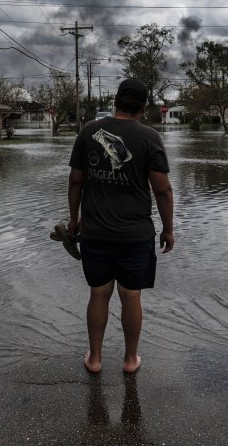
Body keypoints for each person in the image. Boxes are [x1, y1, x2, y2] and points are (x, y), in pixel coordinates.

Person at [67, 78, 175, 373]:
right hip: (135, 235)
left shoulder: (89, 131)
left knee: (98, 294)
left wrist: (74, 219)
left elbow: (76, 180)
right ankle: (129, 360)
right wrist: (168, 229)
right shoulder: (149, 137)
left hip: (95, 233)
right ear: (143, 106)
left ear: (115, 101)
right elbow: (162, 190)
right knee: (131, 296)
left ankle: (95, 359)